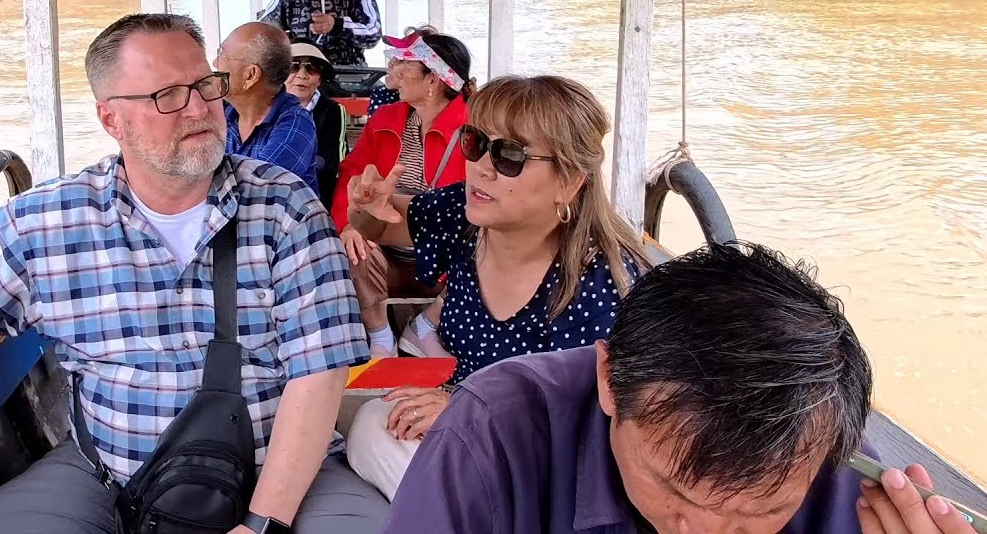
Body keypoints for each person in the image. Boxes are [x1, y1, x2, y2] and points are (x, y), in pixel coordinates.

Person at [0, 13, 390, 534]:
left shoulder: (287, 206)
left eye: (206, 85)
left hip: (281, 467)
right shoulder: (51, 219)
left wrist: (261, 523)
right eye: (167, 96)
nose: (200, 109)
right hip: (111, 472)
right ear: (111, 119)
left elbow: (318, 373)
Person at [384, 243, 969, 534]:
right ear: (610, 379)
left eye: (756, 515)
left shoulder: (833, 462)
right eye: (678, 494)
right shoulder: (495, 430)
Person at [341, 74, 651, 500]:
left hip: (544, 457)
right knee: (371, 426)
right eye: (475, 142)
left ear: (570, 181)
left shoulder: (599, 287)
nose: (482, 167)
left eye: (509, 155)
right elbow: (383, 223)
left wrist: (468, 414)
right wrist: (364, 209)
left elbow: (594, 427)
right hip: (467, 424)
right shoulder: (464, 216)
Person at [332, 27, 473, 359]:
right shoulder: (385, 118)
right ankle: (380, 334)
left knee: (484, 242)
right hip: (388, 255)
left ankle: (425, 327)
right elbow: (351, 173)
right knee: (353, 243)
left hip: (445, 262)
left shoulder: (473, 127)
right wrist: (350, 223)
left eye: (404, 61)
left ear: (433, 80)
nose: (393, 68)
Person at [216, 22, 320, 194]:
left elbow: (256, 192)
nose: (215, 62)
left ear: (250, 76)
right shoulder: (228, 115)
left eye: (222, 55)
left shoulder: (295, 123)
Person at [286, 41, 347, 210]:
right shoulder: (267, 106)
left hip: (318, 199)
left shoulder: (333, 110)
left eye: (311, 68)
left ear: (320, 78)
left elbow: (336, 163)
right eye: (293, 66)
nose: (302, 75)